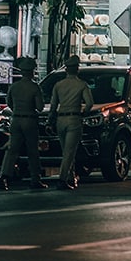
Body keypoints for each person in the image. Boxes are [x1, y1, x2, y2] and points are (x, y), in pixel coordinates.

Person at [0, 56, 47, 191]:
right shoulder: (34, 87)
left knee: (12, 150)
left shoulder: (14, 87)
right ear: (32, 72)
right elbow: (39, 107)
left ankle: (3, 176)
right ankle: (35, 179)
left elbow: (9, 103)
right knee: (32, 151)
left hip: (16, 119)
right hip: (30, 120)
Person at [47, 54, 93, 190]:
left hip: (60, 119)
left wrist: (51, 119)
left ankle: (71, 178)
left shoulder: (58, 85)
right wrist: (83, 114)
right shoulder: (81, 85)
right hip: (74, 119)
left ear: (66, 69)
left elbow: (53, 105)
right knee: (70, 151)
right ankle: (62, 180)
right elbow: (89, 103)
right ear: (77, 69)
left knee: (66, 151)